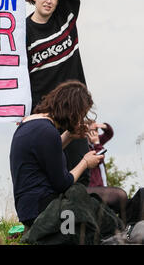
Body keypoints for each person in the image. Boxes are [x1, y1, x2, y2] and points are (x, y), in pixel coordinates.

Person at [20, 0, 91, 186]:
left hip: (74, 111)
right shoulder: (21, 32)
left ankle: (78, 219)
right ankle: (50, 220)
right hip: (44, 117)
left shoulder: (65, 17)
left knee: (82, 173)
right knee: (49, 174)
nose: (49, 1)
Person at [9, 80, 103, 229]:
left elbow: (48, 152)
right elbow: (63, 183)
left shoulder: (32, 122)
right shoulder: (48, 131)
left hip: (28, 208)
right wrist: (85, 162)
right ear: (72, 111)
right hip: (42, 209)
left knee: (103, 199)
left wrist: (70, 135)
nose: (80, 120)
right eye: (80, 115)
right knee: (115, 198)